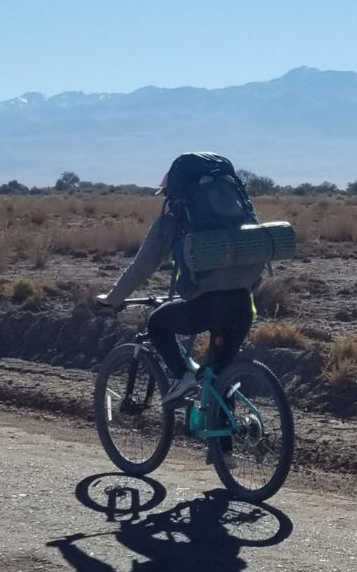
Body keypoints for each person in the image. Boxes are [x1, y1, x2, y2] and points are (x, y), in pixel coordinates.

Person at [96, 153, 261, 404]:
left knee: (157, 323)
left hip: (207, 306)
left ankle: (183, 377)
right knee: (217, 378)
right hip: (242, 305)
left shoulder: (174, 219)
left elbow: (143, 266)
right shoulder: (239, 214)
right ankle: (224, 441)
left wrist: (113, 298)